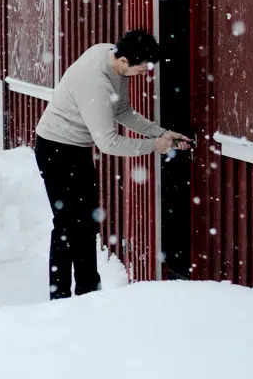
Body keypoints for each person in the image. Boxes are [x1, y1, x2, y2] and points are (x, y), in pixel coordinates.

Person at [33, 30, 190, 299]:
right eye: (141, 68)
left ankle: (88, 294)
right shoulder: (95, 83)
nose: (143, 73)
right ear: (125, 60)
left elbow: (122, 110)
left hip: (77, 150)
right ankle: (61, 298)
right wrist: (154, 146)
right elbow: (109, 143)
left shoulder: (111, 56)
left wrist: (160, 132)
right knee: (68, 225)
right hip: (56, 150)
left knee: (85, 223)